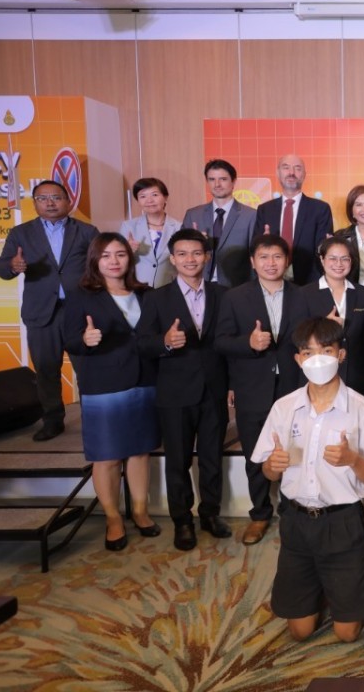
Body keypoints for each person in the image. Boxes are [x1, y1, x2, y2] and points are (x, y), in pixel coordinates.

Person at [250, 316, 364, 643]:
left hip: (342, 522)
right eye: (308, 353)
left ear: (341, 354)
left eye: (326, 350)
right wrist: (273, 465)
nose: (318, 359)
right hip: (296, 522)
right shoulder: (283, 408)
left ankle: (362, 560)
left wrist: (353, 459)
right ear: (298, 359)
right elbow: (268, 472)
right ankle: (331, 584)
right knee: (300, 631)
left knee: (347, 633)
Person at [62, 233, 161, 550]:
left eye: (120, 254)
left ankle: (140, 511)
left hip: (145, 381)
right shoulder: (80, 296)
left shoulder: (146, 294)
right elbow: (69, 339)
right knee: (107, 456)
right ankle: (113, 517)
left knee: (140, 451)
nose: (114, 261)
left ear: (129, 259)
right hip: (104, 385)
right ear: (95, 260)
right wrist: (85, 340)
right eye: (106, 255)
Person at [137, 228, 232, 550]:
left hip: (214, 390)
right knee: (177, 460)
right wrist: (165, 341)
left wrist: (231, 385)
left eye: (196, 253)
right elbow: (142, 343)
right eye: (182, 254)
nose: (190, 259)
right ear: (173, 259)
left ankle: (210, 514)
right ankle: (182, 521)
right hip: (175, 393)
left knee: (211, 458)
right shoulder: (157, 298)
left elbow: (228, 342)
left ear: (207, 257)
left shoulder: (223, 294)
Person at [216, 234, 311, 545]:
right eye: (264, 257)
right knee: (256, 455)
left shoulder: (303, 295)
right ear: (252, 262)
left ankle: (292, 510)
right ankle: (259, 513)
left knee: (294, 451)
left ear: (287, 261)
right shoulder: (234, 297)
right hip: (252, 387)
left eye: (277, 257)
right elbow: (221, 341)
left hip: (294, 387)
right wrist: (248, 342)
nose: (271, 263)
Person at [0, 180, 99, 441]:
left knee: (88, 369)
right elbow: (1, 268)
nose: (50, 203)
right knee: (46, 369)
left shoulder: (87, 231)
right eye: (43, 198)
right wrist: (13, 266)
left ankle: (94, 419)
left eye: (56, 197)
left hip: (80, 312)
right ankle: (52, 420)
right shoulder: (21, 233)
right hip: (41, 312)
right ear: (35, 203)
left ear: (68, 201)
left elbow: (100, 266)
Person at [255, 153, 335, 285]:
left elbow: (323, 249)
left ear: (304, 175)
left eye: (297, 168)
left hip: (309, 282)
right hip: (272, 280)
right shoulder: (264, 209)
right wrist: (263, 243)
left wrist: (328, 247)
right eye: (286, 167)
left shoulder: (320, 209)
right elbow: (256, 248)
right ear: (278, 173)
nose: (291, 173)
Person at [308, 236, 364, 395]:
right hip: (318, 377)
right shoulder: (304, 294)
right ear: (322, 260)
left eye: (345, 259)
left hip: (356, 378)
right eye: (333, 258)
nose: (339, 264)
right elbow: (296, 337)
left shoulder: (363, 293)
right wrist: (324, 327)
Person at [182, 159, 257, 288]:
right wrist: (195, 243)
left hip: (237, 286)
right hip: (199, 285)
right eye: (212, 179)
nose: (217, 184)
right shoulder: (193, 215)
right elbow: (180, 251)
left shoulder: (251, 215)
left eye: (223, 179)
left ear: (233, 181)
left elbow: (255, 255)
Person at [120, 177, 180, 288]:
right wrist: (126, 251)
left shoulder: (179, 227)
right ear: (138, 200)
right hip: (137, 286)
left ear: (165, 197)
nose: (149, 200)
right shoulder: (128, 227)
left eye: (155, 195)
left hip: (169, 287)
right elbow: (119, 262)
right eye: (143, 196)